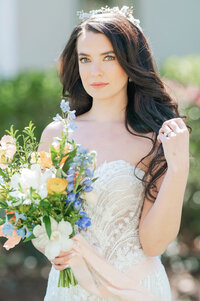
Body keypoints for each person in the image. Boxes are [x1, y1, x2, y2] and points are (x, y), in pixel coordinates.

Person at [34, 6, 191, 301]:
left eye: (109, 57)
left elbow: (154, 243)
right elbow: (43, 221)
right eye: (86, 59)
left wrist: (179, 167)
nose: (95, 71)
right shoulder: (57, 135)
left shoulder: (153, 140)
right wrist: (52, 248)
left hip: (136, 288)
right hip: (70, 288)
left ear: (131, 62)